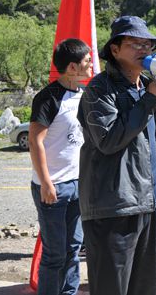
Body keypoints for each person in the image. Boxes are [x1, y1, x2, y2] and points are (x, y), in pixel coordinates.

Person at [78, 16, 156, 295]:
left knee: (146, 288)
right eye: (135, 43)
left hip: (148, 203)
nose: (144, 49)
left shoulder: (148, 86)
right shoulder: (99, 88)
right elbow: (108, 140)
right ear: (115, 50)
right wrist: (150, 101)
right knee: (112, 288)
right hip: (113, 207)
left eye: (148, 44)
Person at [29, 38, 92, 295]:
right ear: (72, 67)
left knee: (73, 250)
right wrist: (46, 182)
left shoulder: (84, 95)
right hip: (53, 187)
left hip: (78, 184)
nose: (91, 65)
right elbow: (35, 140)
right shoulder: (48, 98)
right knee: (54, 254)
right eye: (87, 61)